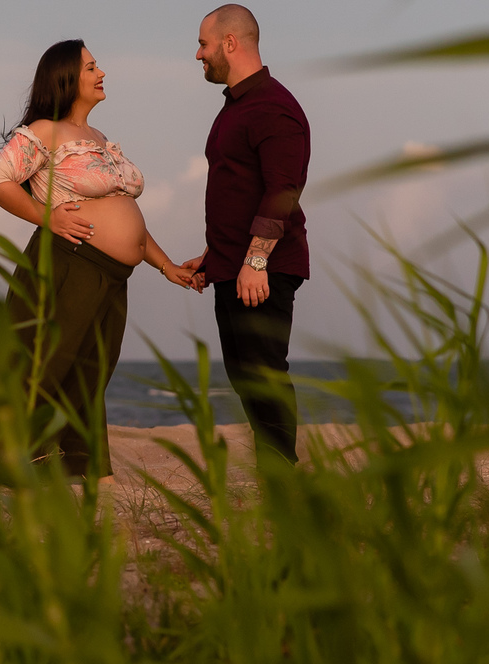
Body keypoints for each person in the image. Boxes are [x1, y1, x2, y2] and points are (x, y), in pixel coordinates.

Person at [0, 39, 200, 481]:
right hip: (69, 263)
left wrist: (164, 264)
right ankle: (12, 465)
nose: (102, 73)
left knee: (89, 372)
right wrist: (47, 216)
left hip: (113, 275)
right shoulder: (45, 131)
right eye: (91, 67)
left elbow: (126, 217)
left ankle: (70, 467)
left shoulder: (100, 140)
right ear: (66, 78)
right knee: (46, 367)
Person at [182, 4, 310, 468]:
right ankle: (276, 475)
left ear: (230, 43)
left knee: (264, 375)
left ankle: (282, 479)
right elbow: (240, 193)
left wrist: (255, 261)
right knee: (244, 376)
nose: (198, 55)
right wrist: (215, 255)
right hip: (235, 267)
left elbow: (283, 191)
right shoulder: (236, 106)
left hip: (265, 269)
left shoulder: (273, 107)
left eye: (203, 44)